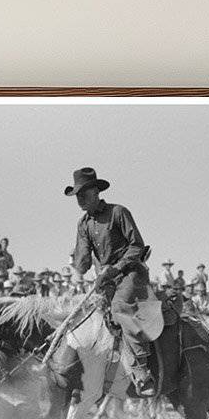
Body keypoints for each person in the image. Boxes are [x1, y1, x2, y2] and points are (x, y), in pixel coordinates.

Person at [66, 166, 155, 396]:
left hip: (131, 275)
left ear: (96, 192)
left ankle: (141, 370)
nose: (79, 200)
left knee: (119, 308)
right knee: (89, 319)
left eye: (83, 194)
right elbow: (83, 258)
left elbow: (137, 245)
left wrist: (114, 269)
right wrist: (77, 271)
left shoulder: (118, 212)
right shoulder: (83, 223)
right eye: (76, 195)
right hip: (104, 282)